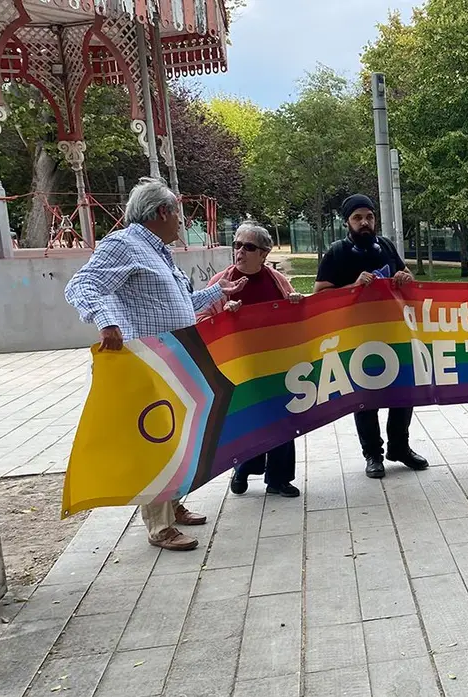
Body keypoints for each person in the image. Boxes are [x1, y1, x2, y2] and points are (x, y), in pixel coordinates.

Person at [64, 177, 247, 551]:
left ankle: (173, 504)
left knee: (177, 436)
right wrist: (105, 321)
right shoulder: (124, 244)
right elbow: (82, 285)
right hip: (148, 363)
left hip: (174, 360)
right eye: (177, 212)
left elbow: (180, 305)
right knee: (158, 439)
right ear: (161, 212)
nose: (181, 220)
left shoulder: (157, 251)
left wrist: (218, 293)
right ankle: (159, 527)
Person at [314, 194, 429, 479]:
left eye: (369, 217)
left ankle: (399, 447)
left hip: (395, 333)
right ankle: (373, 455)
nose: (364, 223)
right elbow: (320, 294)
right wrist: (353, 286)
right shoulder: (336, 253)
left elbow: (406, 276)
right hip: (358, 338)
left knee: (404, 391)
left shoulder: (386, 246)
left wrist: (405, 278)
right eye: (357, 218)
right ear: (347, 222)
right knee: (366, 396)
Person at [197, 221, 303, 498]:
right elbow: (201, 320)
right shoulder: (220, 283)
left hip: (276, 362)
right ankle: (244, 468)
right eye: (237, 245)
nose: (240, 251)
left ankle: (279, 479)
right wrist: (224, 316)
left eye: (249, 247)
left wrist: (296, 303)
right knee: (252, 421)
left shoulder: (276, 281)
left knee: (283, 417)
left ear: (264, 254)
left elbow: (296, 316)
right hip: (239, 366)